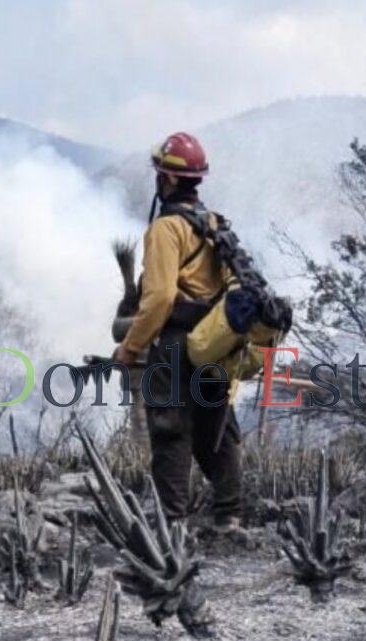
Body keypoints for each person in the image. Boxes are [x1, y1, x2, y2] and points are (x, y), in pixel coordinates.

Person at [112, 132, 243, 531]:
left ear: (166, 180)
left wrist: (131, 347)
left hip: (174, 343)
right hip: (214, 341)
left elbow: (161, 298)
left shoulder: (167, 229)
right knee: (216, 426)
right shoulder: (216, 225)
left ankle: (171, 525)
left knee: (170, 430)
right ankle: (230, 515)